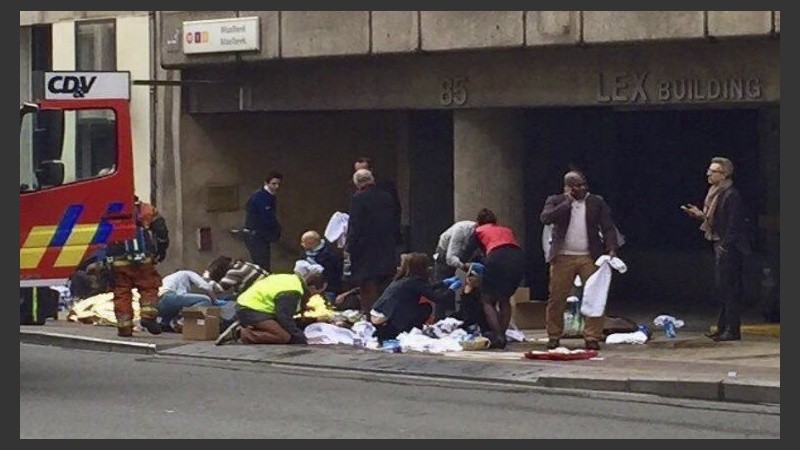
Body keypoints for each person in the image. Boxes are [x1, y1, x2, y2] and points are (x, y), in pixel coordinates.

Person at [540, 170, 619, 351]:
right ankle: (554, 335)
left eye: (584, 184)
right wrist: (567, 202)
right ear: (567, 187)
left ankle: (592, 336)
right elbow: (545, 218)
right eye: (577, 185)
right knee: (557, 298)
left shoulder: (596, 202)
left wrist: (612, 249)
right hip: (562, 256)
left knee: (595, 297)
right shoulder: (556, 200)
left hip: (590, 256)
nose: (582, 188)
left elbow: (608, 227)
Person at [682, 157, 751, 342]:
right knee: (722, 288)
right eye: (709, 170)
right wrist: (699, 215)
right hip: (720, 243)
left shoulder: (731, 194)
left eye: (713, 171)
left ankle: (732, 329)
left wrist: (725, 245)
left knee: (730, 289)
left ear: (724, 174)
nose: (708, 174)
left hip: (730, 247)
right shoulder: (715, 193)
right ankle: (722, 327)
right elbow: (714, 219)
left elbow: (733, 225)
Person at [105, 196, 165, 337]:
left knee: (121, 292)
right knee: (148, 287)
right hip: (142, 259)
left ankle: (124, 328)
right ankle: (148, 316)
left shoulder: (106, 209)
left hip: (117, 259)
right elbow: (161, 231)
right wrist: (161, 250)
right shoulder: (145, 209)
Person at [215, 271, 328, 345]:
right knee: (283, 337)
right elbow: (284, 318)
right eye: (318, 292)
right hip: (252, 309)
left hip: (250, 304)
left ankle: (251, 329)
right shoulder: (293, 291)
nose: (316, 295)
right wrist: (301, 339)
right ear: (312, 287)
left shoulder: (292, 279)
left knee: (283, 331)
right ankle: (241, 334)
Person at [467, 208, 526, 349]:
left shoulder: (478, 231)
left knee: (488, 299)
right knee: (504, 298)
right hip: (518, 258)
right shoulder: (506, 229)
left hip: (496, 257)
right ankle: (503, 334)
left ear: (478, 222)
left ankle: (498, 335)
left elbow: (468, 252)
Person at [346, 169, 399, 314]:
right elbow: (395, 220)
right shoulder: (386, 197)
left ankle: (370, 318)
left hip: (366, 251)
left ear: (357, 184)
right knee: (386, 286)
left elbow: (355, 225)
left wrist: (349, 246)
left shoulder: (358, 198)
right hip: (386, 248)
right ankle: (386, 316)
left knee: (368, 288)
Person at [370, 253, 449, 342]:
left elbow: (425, 288)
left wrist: (443, 283)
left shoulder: (402, 280)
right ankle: (405, 330)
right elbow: (439, 299)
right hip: (390, 321)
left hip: (378, 316)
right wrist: (452, 290)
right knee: (426, 307)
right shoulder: (414, 281)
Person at [354, 156, 402, 248]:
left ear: (371, 171)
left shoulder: (385, 188)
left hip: (385, 235)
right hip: (364, 239)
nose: (361, 174)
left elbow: (396, 210)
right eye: (357, 171)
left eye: (364, 171)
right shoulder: (354, 190)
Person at [243, 172, 283, 271]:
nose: (276, 187)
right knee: (262, 265)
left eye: (278, 184)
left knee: (263, 263)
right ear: (267, 183)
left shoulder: (268, 196)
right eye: (273, 184)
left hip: (260, 235)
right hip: (257, 235)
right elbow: (267, 217)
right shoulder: (261, 197)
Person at [296, 230, 344, 300]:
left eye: (304, 242)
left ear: (311, 243)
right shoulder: (305, 254)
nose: (302, 244)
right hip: (308, 288)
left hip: (328, 289)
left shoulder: (330, 255)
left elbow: (336, 274)